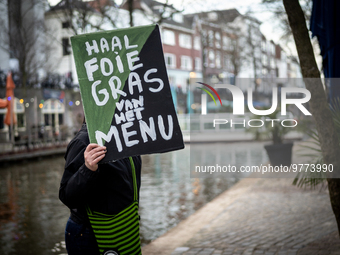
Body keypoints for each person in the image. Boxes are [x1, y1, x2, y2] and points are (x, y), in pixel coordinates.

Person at [59, 122, 142, 255]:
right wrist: (87, 169)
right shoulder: (84, 141)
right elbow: (67, 196)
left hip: (124, 226)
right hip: (90, 233)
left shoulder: (126, 134)